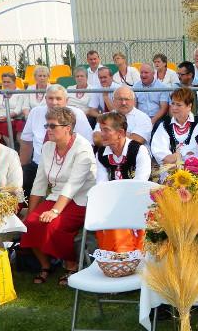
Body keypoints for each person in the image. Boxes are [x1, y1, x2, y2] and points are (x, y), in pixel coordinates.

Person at [20, 106, 97, 285]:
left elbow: (73, 185)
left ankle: (71, 265)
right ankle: (45, 265)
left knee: (54, 226)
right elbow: (39, 182)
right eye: (47, 125)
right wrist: (31, 212)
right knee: (30, 223)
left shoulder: (83, 147)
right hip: (56, 197)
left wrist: (54, 211)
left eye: (52, 126)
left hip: (81, 199)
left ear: (67, 128)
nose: (48, 129)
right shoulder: (48, 147)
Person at [20, 85, 94, 199]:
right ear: (45, 99)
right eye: (50, 98)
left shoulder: (77, 114)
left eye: (58, 98)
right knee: (23, 187)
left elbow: (88, 143)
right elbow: (26, 142)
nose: (54, 102)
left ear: (66, 100)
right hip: (38, 164)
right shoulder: (35, 112)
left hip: (66, 167)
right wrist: (23, 167)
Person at [94, 111, 151, 252]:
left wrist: (121, 202)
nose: (102, 134)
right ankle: (113, 256)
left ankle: (127, 253)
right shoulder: (101, 153)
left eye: (106, 130)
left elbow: (140, 183)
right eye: (101, 130)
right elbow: (101, 184)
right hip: (113, 201)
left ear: (120, 132)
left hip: (139, 200)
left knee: (119, 216)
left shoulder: (138, 150)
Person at [151, 87, 198, 168]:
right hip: (171, 171)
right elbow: (163, 157)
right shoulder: (164, 125)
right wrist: (183, 154)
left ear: (189, 106)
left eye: (178, 105)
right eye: (173, 103)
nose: (174, 108)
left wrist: (178, 154)